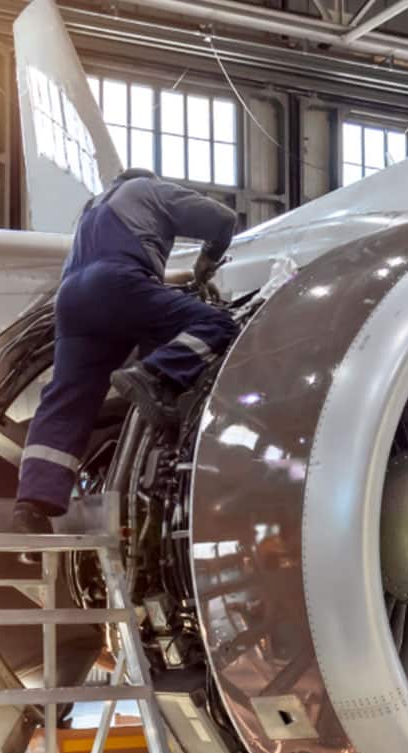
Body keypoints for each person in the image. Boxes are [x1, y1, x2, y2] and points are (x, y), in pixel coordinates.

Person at [13, 168, 239, 533]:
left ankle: (34, 501)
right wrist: (206, 263)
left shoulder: (93, 209)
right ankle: (155, 376)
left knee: (68, 397)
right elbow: (222, 219)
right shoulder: (147, 189)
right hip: (117, 284)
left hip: (71, 300)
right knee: (218, 325)